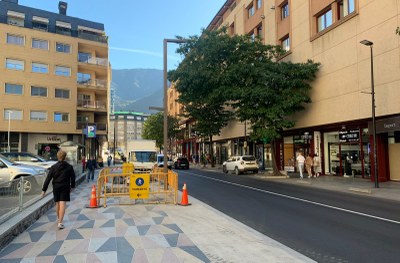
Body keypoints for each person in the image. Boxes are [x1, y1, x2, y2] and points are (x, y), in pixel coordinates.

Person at [41, 150, 75, 229]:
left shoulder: (53, 167)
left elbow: (48, 178)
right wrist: (72, 186)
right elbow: (73, 178)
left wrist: (44, 190)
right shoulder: (69, 167)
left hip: (56, 187)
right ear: (65, 157)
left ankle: (58, 218)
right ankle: (60, 222)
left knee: (57, 204)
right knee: (63, 204)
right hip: (65, 187)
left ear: (57, 157)